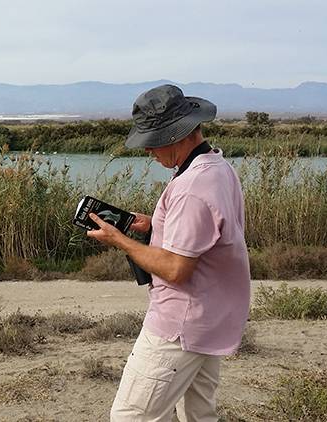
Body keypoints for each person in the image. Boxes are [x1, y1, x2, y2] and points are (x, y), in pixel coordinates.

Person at [86, 84, 251, 422]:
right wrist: (156, 226)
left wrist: (119, 239)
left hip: (180, 325)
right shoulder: (218, 169)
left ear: (176, 136)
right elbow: (208, 237)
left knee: (131, 416)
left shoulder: (191, 188)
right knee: (197, 415)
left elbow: (176, 269)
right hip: (210, 320)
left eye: (153, 142)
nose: (149, 152)